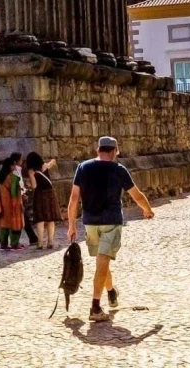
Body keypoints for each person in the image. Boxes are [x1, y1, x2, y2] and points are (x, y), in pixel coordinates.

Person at [67, 136, 155, 322]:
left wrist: (71, 225)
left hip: (90, 223)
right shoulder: (118, 169)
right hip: (111, 222)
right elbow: (136, 195)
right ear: (114, 151)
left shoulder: (83, 167)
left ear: (98, 149)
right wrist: (147, 210)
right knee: (102, 263)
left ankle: (111, 291)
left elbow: (74, 198)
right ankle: (95, 307)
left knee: (102, 261)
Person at [25, 152, 60, 249]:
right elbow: (51, 164)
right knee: (50, 219)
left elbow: (34, 186)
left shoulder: (31, 171)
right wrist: (53, 161)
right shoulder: (44, 166)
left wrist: (29, 182)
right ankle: (50, 242)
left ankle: (40, 243)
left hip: (40, 194)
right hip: (50, 193)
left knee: (40, 219)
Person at [0, 152, 25, 250]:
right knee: (16, 224)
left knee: (4, 225)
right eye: (13, 165)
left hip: (2, 204)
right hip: (13, 203)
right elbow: (15, 192)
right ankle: (14, 243)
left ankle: (3, 244)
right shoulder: (13, 178)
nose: (14, 167)